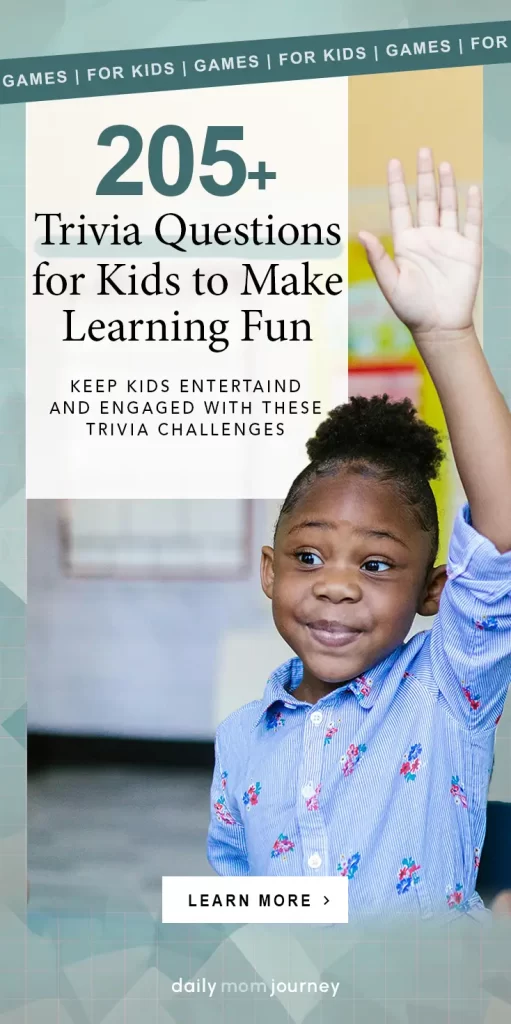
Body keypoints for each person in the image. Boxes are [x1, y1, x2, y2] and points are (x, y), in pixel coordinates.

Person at [207, 148, 511, 921]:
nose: (335, 583)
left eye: (376, 564)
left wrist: (445, 336)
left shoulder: (446, 689)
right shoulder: (241, 737)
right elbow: (240, 902)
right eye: (308, 557)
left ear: (433, 589)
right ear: (270, 570)